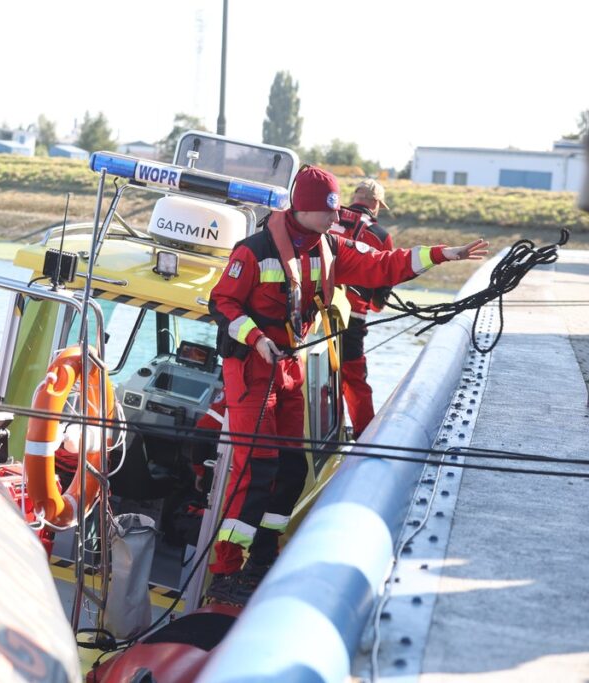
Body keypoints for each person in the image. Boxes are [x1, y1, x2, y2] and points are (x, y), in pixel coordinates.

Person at [205, 166, 489, 605]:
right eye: (328, 212)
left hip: (289, 367)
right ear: (305, 209)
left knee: (293, 468)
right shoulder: (254, 251)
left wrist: (442, 254)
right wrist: (257, 339)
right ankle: (224, 569)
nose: (335, 219)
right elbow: (221, 302)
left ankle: (261, 560)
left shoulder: (330, 247)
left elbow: (382, 264)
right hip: (251, 371)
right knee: (255, 469)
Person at [329, 179, 394, 436]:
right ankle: (365, 438)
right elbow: (380, 297)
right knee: (354, 379)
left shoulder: (325, 219)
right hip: (351, 319)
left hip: (309, 311)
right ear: (376, 204)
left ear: (354, 197)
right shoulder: (380, 236)